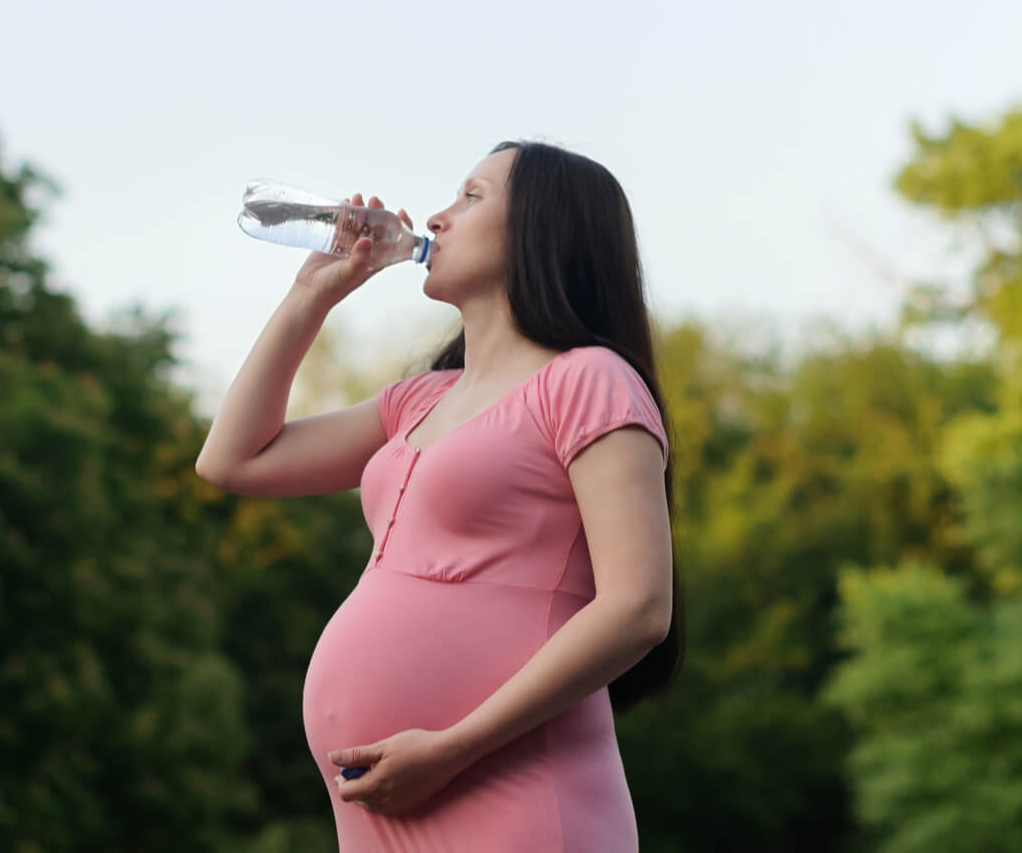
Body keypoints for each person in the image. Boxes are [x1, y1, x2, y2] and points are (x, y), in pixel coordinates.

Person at [196, 140, 682, 851]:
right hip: (382, 808)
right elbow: (233, 460)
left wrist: (453, 748)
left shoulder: (589, 381)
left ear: (543, 229)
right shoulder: (418, 401)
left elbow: (639, 608)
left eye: (472, 197)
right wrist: (311, 296)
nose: (437, 218)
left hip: (510, 793)